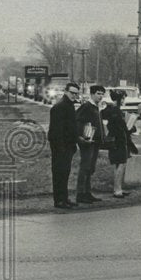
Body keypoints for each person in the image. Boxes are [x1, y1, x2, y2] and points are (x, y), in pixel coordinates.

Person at [48, 81, 80, 209]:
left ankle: (64, 198)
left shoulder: (69, 105)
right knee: (59, 173)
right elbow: (56, 130)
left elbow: (71, 128)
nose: (74, 96)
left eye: (76, 94)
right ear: (66, 91)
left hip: (67, 146)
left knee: (64, 173)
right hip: (60, 146)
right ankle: (59, 200)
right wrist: (61, 147)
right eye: (72, 93)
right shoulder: (60, 106)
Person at [102, 89, 139, 198]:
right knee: (121, 164)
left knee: (118, 164)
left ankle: (118, 188)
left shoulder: (109, 110)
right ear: (119, 99)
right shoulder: (116, 111)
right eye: (123, 98)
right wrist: (132, 129)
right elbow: (122, 129)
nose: (124, 100)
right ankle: (117, 190)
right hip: (119, 141)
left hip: (114, 141)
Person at [75, 84, 106, 203]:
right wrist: (82, 136)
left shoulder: (96, 107)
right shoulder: (86, 106)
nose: (100, 96)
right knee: (85, 166)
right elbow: (77, 121)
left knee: (90, 167)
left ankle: (87, 192)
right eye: (98, 94)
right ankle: (80, 193)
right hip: (87, 141)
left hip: (95, 141)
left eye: (102, 94)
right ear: (92, 94)